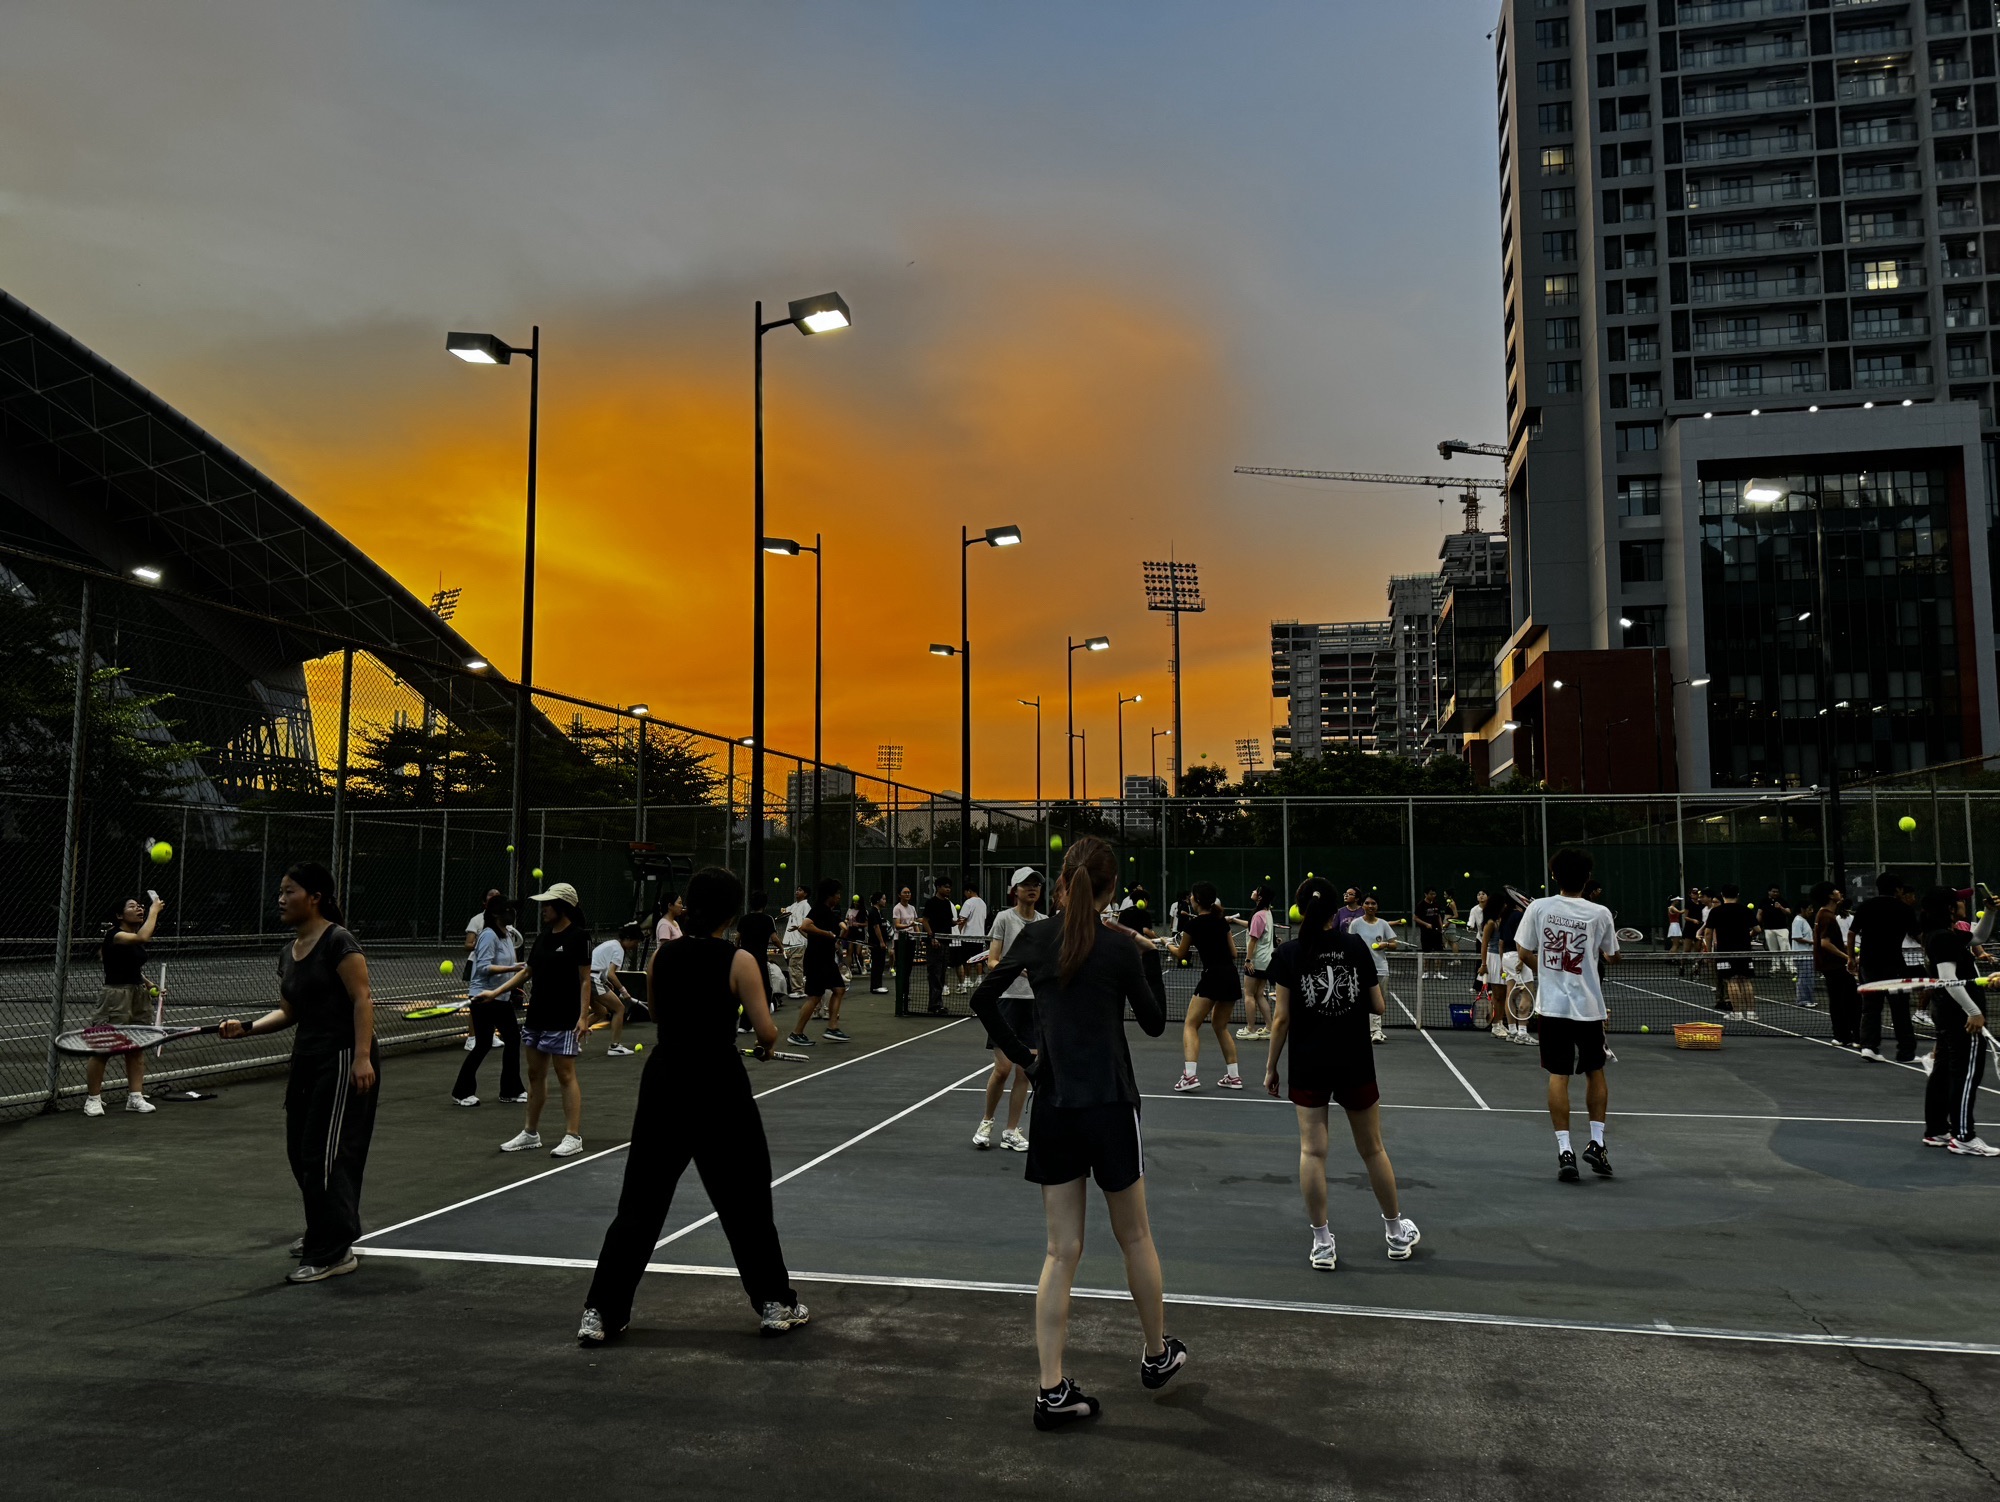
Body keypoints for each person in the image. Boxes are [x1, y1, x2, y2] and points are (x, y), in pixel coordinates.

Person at [968, 836, 1184, 1430]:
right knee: (1135, 1237)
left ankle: (1050, 1389)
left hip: (1056, 1105)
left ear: (1063, 882)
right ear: (1110, 890)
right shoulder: (1117, 947)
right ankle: (1156, 1353)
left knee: (1060, 1251)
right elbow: (1155, 1023)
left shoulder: (1037, 937)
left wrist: (1027, 1059)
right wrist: (1146, 953)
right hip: (1111, 1105)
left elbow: (983, 997)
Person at [577, 865, 809, 1344]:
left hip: (665, 1078)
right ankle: (774, 1302)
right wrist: (764, 1047)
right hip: (718, 1081)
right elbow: (766, 1031)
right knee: (745, 1197)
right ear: (731, 913)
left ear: (691, 905)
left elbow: (659, 1015)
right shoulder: (739, 960)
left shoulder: (662, 956)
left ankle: (601, 1311)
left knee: (640, 1202)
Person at [218, 862, 377, 1283]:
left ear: (315, 897)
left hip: (342, 1057)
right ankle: (326, 1228)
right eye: (280, 892)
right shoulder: (288, 951)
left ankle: (333, 1251)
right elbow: (289, 1012)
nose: (281, 899)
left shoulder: (338, 941)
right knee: (300, 1152)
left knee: (324, 1155)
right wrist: (247, 1027)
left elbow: (362, 999)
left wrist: (362, 1057)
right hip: (307, 1058)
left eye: (290, 891)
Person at [1263, 875, 1420, 1270]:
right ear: (1336, 912)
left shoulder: (1288, 953)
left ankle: (1322, 1243)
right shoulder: (1354, 946)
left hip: (1308, 1064)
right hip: (1354, 1061)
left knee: (1312, 1152)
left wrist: (1271, 1067)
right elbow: (1378, 1006)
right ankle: (1395, 1232)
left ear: (1300, 910)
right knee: (1373, 1149)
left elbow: (1280, 1019)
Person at [1517, 849, 1620, 1183]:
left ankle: (1565, 1150)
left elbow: (1523, 951)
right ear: (1587, 879)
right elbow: (1612, 955)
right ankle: (1597, 1143)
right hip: (1589, 1008)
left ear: (1554, 876)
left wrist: (1547, 973)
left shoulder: (1538, 908)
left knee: (1558, 1075)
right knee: (1595, 1070)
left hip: (1552, 1009)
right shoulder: (1600, 913)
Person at [477, 881, 592, 1158]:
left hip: (564, 1018)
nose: (543, 909)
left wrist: (583, 1017)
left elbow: (585, 979)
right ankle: (530, 1133)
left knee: (565, 1074)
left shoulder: (579, 937)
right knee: (534, 1074)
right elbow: (527, 972)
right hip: (537, 1015)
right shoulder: (543, 937)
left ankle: (573, 1136)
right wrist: (495, 992)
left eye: (548, 904)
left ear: (562, 907)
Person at [1916, 885, 1998, 1156]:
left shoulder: (1944, 934)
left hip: (1947, 1012)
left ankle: (1937, 1130)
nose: (1964, 904)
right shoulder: (1943, 938)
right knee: (1966, 1075)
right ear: (1950, 908)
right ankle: (1963, 1136)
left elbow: (1979, 936)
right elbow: (1949, 980)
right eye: (1959, 902)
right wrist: (1973, 1012)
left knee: (1943, 1072)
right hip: (1960, 1016)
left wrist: (1990, 911)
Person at [974, 867, 1045, 1151]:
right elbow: (993, 961)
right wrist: (1020, 970)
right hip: (1006, 1000)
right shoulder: (1004, 918)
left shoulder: (1045, 923)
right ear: (1014, 890)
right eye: (1026, 885)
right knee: (1003, 1068)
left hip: (1035, 1004)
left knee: (1025, 1071)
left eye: (1036, 884)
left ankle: (1011, 1131)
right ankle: (986, 1121)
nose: (1032, 889)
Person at [83, 893, 167, 1117]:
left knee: (136, 1048)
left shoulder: (131, 937)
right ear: (120, 915)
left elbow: (132, 967)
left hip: (137, 995)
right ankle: (93, 1099)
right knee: (103, 1049)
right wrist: (154, 910)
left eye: (141, 906)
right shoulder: (116, 935)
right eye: (132, 906)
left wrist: (149, 985)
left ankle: (135, 1097)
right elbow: (143, 937)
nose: (139, 909)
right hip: (115, 997)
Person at [452, 893, 527, 1105]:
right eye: (507, 910)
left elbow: (507, 966)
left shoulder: (506, 935)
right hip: (484, 997)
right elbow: (484, 967)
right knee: (484, 1044)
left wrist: (513, 982)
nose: (512, 913)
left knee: (511, 1039)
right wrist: (514, 969)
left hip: (501, 997)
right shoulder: (488, 935)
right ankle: (462, 1092)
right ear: (495, 914)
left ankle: (510, 1091)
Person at [1168, 881, 1243, 1091]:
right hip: (1231, 976)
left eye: (1192, 896)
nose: (1190, 899)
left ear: (1197, 900)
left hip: (1212, 977)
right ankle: (1234, 1076)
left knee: (1191, 1025)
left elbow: (1181, 954)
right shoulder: (1221, 922)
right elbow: (1234, 953)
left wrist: (1167, 944)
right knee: (1220, 1026)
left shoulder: (1193, 926)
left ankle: (1189, 1076)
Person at [1851, 871, 1920, 1063]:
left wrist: (1851, 958)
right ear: (1898, 890)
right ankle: (1905, 1052)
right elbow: (1918, 935)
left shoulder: (1865, 906)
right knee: (1900, 1010)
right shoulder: (1904, 909)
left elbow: (1851, 932)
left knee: (1871, 1007)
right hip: (1894, 966)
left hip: (1868, 965)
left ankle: (1868, 1047)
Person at [790, 877, 850, 1046]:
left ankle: (832, 1028)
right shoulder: (818, 909)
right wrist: (826, 934)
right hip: (816, 959)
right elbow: (805, 926)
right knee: (815, 997)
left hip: (826, 958)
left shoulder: (830, 912)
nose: (839, 897)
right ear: (829, 895)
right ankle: (796, 1033)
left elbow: (839, 930)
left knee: (839, 989)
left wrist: (838, 938)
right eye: (837, 893)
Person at [1808, 882, 1859, 1046]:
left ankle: (1842, 1036)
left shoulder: (1824, 914)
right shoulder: (1827, 916)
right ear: (1830, 896)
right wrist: (1848, 957)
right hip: (1834, 967)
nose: (1839, 892)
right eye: (1836, 890)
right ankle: (1850, 1036)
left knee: (1838, 1001)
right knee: (1850, 1001)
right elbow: (1825, 943)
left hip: (1831, 966)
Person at [1703, 885, 1759, 1021]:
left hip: (1724, 952)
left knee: (1731, 980)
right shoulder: (1746, 910)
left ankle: (1737, 1013)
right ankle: (1751, 1013)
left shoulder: (1716, 911)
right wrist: (1748, 935)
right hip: (1744, 951)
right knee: (1745, 980)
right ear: (1738, 895)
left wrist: (1709, 952)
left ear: (1722, 895)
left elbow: (1708, 932)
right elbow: (1757, 929)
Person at [1347, 895, 1397, 1045]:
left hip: (1380, 968)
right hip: (1360, 969)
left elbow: (1394, 944)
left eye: (1373, 903)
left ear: (1377, 906)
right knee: (1360, 1000)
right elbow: (1349, 944)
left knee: (1379, 1000)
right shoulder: (1355, 924)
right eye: (1367, 903)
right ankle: (1370, 1030)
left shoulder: (1383, 924)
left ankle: (1376, 1030)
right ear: (1362, 905)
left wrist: (1385, 945)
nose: (1370, 906)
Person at [462, 886, 505, 1051]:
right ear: (484, 902)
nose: (494, 898)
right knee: (477, 1002)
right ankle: (471, 1038)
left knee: (494, 1002)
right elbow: (468, 944)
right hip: (478, 964)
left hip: (497, 965)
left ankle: (490, 1035)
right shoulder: (477, 920)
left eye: (497, 896)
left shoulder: (503, 920)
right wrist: (484, 944)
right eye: (491, 896)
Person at [590, 924, 640, 1056]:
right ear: (628, 938)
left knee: (601, 1011)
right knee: (619, 1009)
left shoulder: (612, 944)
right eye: (635, 942)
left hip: (586, 978)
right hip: (592, 979)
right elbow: (611, 974)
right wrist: (624, 991)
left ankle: (572, 1040)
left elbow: (599, 964)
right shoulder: (619, 949)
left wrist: (605, 981)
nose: (636, 945)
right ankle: (615, 1046)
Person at [1236, 886, 1277, 1040]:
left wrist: (1248, 960)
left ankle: (1250, 1029)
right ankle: (1270, 1028)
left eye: (1256, 890)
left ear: (1260, 897)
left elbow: (1253, 940)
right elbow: (1251, 925)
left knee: (1248, 994)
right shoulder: (1267, 913)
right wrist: (1233, 920)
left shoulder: (1259, 915)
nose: (1253, 891)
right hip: (1267, 961)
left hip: (1257, 961)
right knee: (1259, 994)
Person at [736, 901, 778, 1036]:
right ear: (764, 905)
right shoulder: (767, 919)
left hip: (744, 959)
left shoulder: (744, 919)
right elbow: (774, 938)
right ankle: (760, 1022)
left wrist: (737, 950)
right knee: (766, 990)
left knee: (745, 990)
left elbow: (737, 937)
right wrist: (782, 949)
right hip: (759, 960)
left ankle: (744, 1025)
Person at [922, 877, 957, 1009]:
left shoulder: (947, 903)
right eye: (945, 887)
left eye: (949, 887)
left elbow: (948, 922)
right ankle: (934, 1004)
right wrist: (932, 937)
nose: (948, 889)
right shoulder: (931, 903)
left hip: (946, 943)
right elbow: (925, 921)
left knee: (941, 974)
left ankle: (937, 1003)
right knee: (934, 974)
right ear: (938, 887)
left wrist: (958, 922)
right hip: (934, 944)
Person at [956, 880, 989, 992]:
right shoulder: (983, 903)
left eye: (965, 892)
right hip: (979, 936)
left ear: (969, 891)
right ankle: (979, 979)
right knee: (978, 959)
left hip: (967, 935)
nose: (965, 894)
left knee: (967, 959)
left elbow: (962, 919)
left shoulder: (968, 902)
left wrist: (958, 932)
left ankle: (967, 979)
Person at [780, 885, 811, 1000]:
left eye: (800, 890)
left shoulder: (806, 906)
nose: (797, 892)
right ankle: (798, 986)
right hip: (791, 941)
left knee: (796, 965)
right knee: (793, 965)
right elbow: (785, 911)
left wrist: (799, 928)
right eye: (797, 890)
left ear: (805, 894)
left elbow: (807, 923)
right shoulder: (794, 905)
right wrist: (783, 910)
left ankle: (798, 990)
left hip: (799, 940)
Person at [891, 886, 920, 1010]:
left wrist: (919, 937)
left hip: (911, 941)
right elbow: (897, 925)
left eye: (909, 892)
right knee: (901, 968)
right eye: (905, 892)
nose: (908, 894)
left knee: (908, 969)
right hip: (900, 941)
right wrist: (909, 925)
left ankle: (905, 993)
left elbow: (916, 924)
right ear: (899, 895)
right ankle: (900, 994)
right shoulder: (897, 908)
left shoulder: (912, 908)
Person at [1790, 898, 1819, 1009]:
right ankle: (1803, 1000)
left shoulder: (1804, 920)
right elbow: (1796, 937)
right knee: (1804, 979)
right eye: (1809, 909)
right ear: (1802, 909)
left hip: (1808, 955)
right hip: (1802, 956)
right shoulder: (1798, 920)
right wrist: (1813, 942)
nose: (1811, 911)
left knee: (1809, 979)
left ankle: (1809, 999)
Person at [1413, 886, 1447, 978]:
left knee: (1438, 953)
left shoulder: (1436, 904)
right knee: (1426, 953)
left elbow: (1438, 916)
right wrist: (1426, 924)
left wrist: (1441, 929)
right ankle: (1426, 972)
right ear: (1426, 894)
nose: (1433, 896)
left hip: (1437, 932)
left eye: (1434, 894)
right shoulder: (1421, 905)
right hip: (1426, 933)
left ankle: (1437, 973)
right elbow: (1415, 918)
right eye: (1431, 894)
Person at [866, 892, 892, 994]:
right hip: (876, 942)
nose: (885, 901)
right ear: (877, 900)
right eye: (883, 899)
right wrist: (881, 941)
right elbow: (876, 927)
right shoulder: (873, 912)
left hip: (880, 942)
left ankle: (878, 985)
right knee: (877, 964)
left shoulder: (879, 912)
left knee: (880, 964)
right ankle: (875, 986)